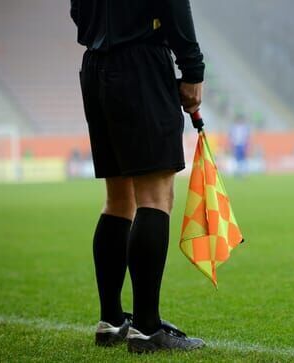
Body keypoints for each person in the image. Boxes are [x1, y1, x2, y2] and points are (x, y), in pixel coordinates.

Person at [70, 0, 205, 353]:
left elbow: (77, 10)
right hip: (140, 65)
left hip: (96, 68)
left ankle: (111, 321)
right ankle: (146, 329)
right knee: (155, 198)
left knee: (118, 200)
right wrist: (192, 70)